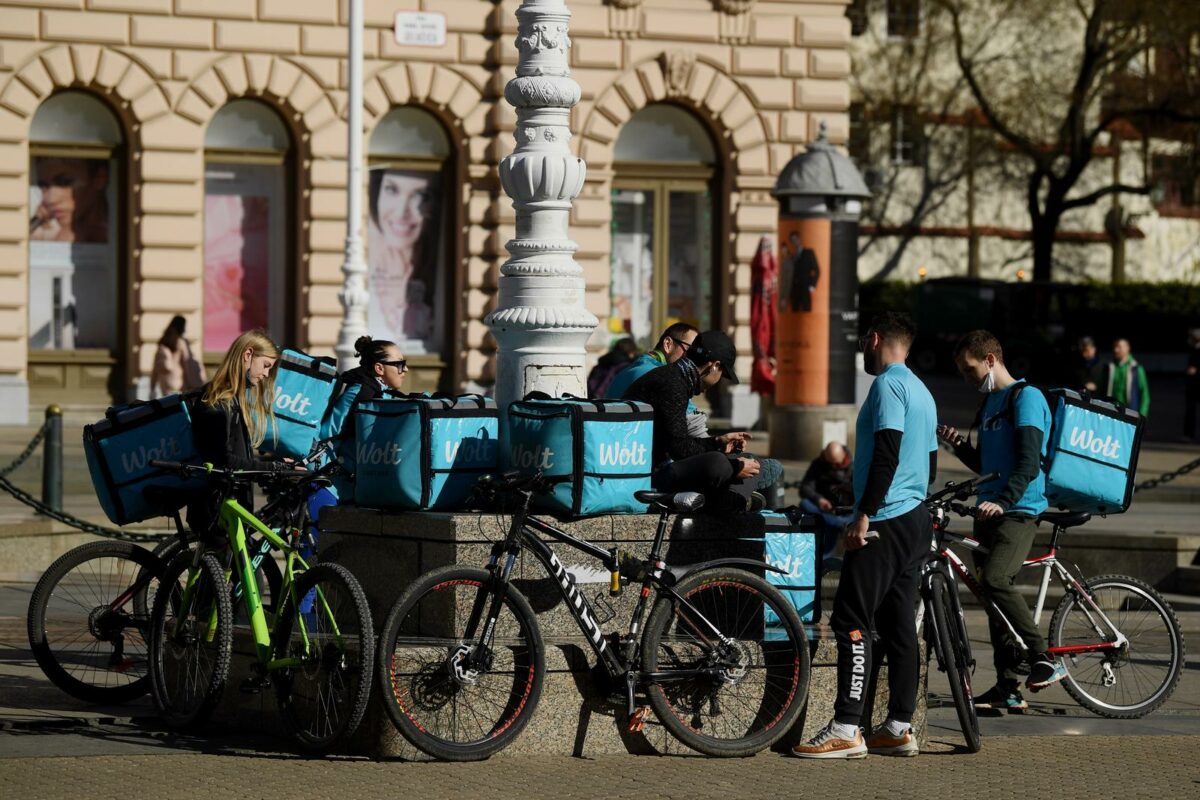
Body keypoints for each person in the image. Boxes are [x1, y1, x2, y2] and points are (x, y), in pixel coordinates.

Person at [793, 312, 936, 759]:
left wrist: (865, 515)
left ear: (874, 339)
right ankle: (897, 726)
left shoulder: (887, 385)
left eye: (863, 342)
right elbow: (928, 466)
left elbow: (886, 454)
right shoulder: (923, 391)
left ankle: (846, 726)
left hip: (885, 519)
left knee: (850, 620)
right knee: (898, 628)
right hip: (915, 519)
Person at [939, 330, 1066, 712]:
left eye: (970, 369)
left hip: (1019, 510)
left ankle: (1045, 657)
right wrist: (959, 446)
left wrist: (1005, 502)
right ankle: (1007, 687)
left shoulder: (1026, 398)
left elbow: (1028, 463)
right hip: (989, 510)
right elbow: (986, 466)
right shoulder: (993, 403)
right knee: (990, 596)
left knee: (995, 579)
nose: (967, 378)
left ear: (991, 360)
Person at [624, 330, 765, 513]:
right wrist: (734, 467)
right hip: (647, 476)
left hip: (654, 468)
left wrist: (718, 442)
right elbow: (680, 449)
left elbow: (678, 442)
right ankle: (729, 500)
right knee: (720, 464)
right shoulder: (672, 384)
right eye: (722, 374)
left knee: (751, 464)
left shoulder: (674, 377)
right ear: (714, 366)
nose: (717, 381)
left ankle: (727, 497)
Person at [187, 330, 293, 535]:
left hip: (232, 508)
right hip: (217, 513)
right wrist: (272, 467)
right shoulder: (216, 403)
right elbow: (225, 461)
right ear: (248, 355)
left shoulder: (235, 400)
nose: (266, 374)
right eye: (266, 366)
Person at [367, 169, 438, 344]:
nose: (401, 212)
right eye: (391, 189)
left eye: (420, 195)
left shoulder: (436, 271)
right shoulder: (362, 257)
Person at [606, 322, 698, 402]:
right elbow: (690, 418)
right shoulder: (661, 376)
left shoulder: (641, 365)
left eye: (697, 353)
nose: (693, 358)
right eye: (690, 350)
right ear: (668, 344)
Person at [798, 442, 855, 564]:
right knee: (805, 504)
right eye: (831, 464)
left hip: (846, 510)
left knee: (831, 524)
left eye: (837, 464)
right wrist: (819, 500)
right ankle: (837, 524)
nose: (834, 467)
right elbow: (805, 488)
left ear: (843, 456)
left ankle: (835, 523)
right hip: (824, 510)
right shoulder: (818, 464)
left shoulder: (854, 466)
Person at [30, 156, 109, 243]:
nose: (50, 200)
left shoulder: (117, 233)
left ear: (99, 178)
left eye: (65, 182)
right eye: (43, 186)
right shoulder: (45, 232)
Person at [749, 236, 778, 404]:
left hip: (767, 323)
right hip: (763, 325)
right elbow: (759, 313)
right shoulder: (761, 276)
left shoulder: (768, 274)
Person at [150, 315, 206, 398]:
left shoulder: (163, 341)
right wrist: (194, 384)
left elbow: (155, 368)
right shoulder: (181, 342)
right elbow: (187, 363)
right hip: (179, 386)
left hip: (165, 385)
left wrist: (152, 387)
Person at [1106, 337, 1150, 416]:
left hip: (1130, 415)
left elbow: (1145, 395)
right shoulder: (1108, 367)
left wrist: (1142, 415)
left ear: (1127, 348)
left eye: (1119, 347)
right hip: (1110, 413)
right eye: (1115, 347)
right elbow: (1100, 390)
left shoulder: (1136, 368)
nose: (1116, 350)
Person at [1185, 329, 1200, 442]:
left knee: (1191, 410)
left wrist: (1196, 371)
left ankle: (1189, 434)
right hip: (1192, 386)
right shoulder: (1194, 349)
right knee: (1190, 410)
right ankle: (1188, 433)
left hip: (1196, 385)